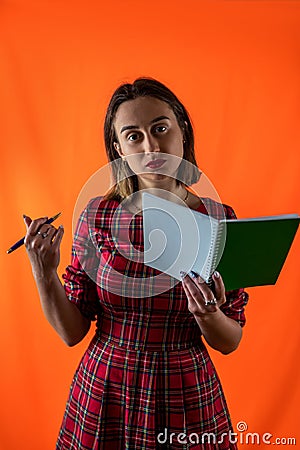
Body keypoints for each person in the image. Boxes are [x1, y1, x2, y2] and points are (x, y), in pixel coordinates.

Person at [23, 78, 249, 449]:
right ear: (119, 149)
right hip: (105, 389)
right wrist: (43, 271)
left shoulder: (219, 220)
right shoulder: (99, 216)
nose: (151, 146)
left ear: (182, 130)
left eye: (160, 128)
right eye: (133, 136)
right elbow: (72, 333)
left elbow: (231, 341)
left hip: (186, 391)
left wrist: (209, 315)